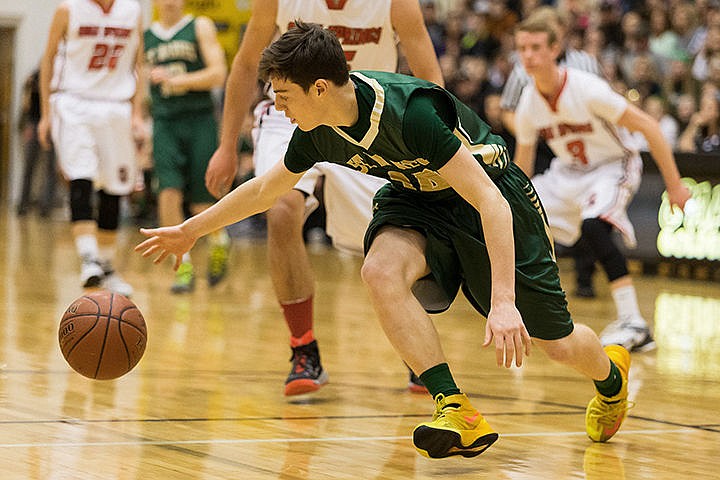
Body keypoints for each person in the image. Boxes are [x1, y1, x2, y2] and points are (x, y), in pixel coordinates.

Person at [137, 21, 638, 459]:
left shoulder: (410, 113)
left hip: (490, 197)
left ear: (317, 89)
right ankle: (455, 407)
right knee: (378, 270)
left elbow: (490, 202)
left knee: (558, 345)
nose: (277, 107)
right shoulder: (316, 129)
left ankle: (611, 379)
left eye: (283, 96)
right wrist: (190, 230)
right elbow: (267, 189)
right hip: (415, 198)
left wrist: (504, 302)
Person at [203, 0, 444, 396]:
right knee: (280, 208)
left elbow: (429, 75)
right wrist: (227, 144)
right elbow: (247, 64)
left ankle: (416, 347)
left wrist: (436, 147)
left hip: (366, 113)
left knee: (392, 237)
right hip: (290, 112)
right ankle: (304, 349)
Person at [512, 13, 692, 353]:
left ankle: (634, 322)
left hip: (613, 165)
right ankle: (535, 309)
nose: (528, 56)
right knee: (519, 218)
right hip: (568, 172)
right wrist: (512, 202)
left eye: (535, 47)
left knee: (594, 226)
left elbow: (650, 128)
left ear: (554, 49)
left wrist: (675, 185)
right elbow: (522, 166)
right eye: (522, 48)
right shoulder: (528, 103)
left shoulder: (586, 88)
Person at [38, 0, 145, 297]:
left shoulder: (133, 11)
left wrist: (137, 113)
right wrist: (47, 114)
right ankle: (88, 259)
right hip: (75, 103)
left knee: (114, 189)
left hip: (116, 107)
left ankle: (107, 266)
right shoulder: (67, 9)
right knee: (81, 178)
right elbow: (47, 59)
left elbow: (139, 64)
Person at [500, 6, 602, 299]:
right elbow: (508, 110)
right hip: (539, 147)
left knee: (587, 212)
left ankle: (586, 277)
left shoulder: (586, 62)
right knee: (533, 208)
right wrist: (530, 130)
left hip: (580, 143)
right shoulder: (523, 68)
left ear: (560, 36)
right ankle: (533, 276)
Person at [145, 0, 230, 293]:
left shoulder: (199, 26)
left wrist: (179, 80)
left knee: (202, 200)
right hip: (164, 121)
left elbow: (219, 73)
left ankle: (220, 242)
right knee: (167, 191)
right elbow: (137, 82)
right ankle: (183, 267)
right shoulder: (146, 35)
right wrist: (135, 117)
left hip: (199, 119)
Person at [16, 69, 58, 218]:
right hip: (34, 124)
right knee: (29, 167)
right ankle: (23, 204)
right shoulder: (33, 77)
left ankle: (46, 206)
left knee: (50, 169)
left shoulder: (59, 77)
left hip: (52, 126)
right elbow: (26, 105)